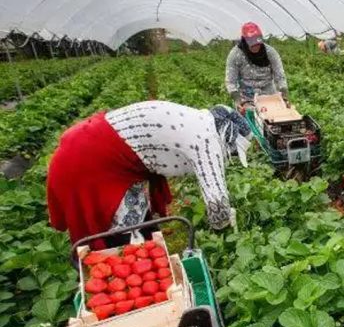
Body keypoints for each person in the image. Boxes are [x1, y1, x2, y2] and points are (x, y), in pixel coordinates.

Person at [47, 101, 253, 245]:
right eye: (234, 152)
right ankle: (126, 271)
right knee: (121, 228)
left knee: (139, 217)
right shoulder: (207, 140)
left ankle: (148, 254)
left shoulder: (199, 120)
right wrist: (228, 231)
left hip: (96, 146)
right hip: (90, 160)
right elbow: (216, 201)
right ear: (227, 139)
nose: (231, 157)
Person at [225, 22, 289, 112]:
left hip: (269, 96)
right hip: (247, 97)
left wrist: (284, 96)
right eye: (252, 44)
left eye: (258, 43)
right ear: (244, 41)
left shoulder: (270, 53)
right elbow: (230, 82)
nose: (256, 47)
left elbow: (280, 76)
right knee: (250, 120)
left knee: (274, 119)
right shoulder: (235, 55)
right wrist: (237, 100)